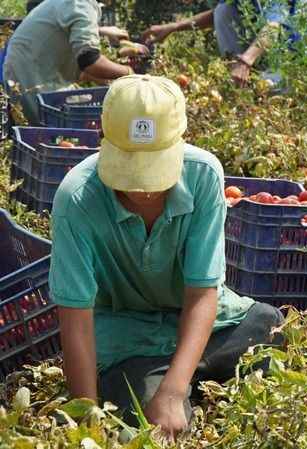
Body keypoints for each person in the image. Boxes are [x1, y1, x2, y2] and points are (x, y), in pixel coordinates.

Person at [49, 75, 284, 439]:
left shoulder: (204, 175)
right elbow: (76, 319)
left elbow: (202, 291)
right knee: (148, 427)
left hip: (203, 323)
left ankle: (181, 379)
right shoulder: (77, 199)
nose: (142, 190)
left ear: (180, 143)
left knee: (270, 325)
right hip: (129, 338)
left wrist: (173, 391)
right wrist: (88, 421)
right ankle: (178, 379)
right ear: (104, 142)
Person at [141, 0, 307, 88]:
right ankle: (237, 79)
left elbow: (274, 25)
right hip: (286, 48)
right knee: (226, 10)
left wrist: (246, 61)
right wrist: (170, 28)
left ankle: (254, 81)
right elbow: (217, 13)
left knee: (269, 87)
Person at [2, 0, 146, 125]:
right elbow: (89, 60)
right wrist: (130, 74)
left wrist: (109, 79)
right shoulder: (82, 4)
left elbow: (80, 68)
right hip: (33, 82)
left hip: (26, 76)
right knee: (85, 124)